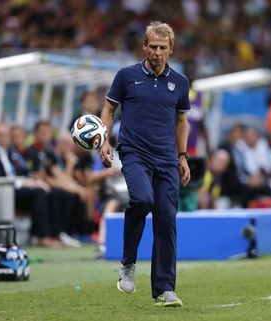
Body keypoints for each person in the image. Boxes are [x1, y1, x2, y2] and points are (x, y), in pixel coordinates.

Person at [99, 21, 191, 307]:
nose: (157, 52)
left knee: (166, 219)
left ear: (171, 50)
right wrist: (104, 141)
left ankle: (165, 289)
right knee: (142, 200)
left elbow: (181, 120)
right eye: (152, 46)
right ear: (144, 47)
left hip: (166, 157)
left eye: (163, 47)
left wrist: (182, 156)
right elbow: (109, 109)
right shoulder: (126, 76)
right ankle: (128, 262)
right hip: (134, 152)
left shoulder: (180, 82)